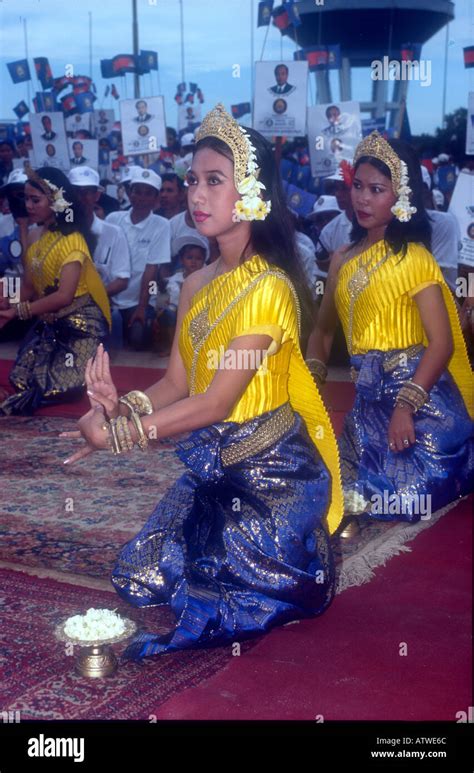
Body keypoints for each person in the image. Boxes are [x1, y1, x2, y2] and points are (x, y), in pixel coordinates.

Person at [59, 103, 343, 661]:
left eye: (215, 181)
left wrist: (118, 437)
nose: (196, 194)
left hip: (271, 475)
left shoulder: (270, 286)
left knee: (232, 590)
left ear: (254, 191)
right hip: (216, 465)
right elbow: (175, 382)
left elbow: (216, 401)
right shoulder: (196, 282)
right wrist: (121, 406)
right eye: (193, 180)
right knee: (140, 574)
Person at [306, 131, 474, 525]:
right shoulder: (341, 258)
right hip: (366, 403)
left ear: (401, 197)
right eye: (358, 186)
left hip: (420, 400)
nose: (362, 198)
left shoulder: (415, 258)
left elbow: (442, 343)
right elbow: (323, 332)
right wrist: (310, 385)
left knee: (410, 496)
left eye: (377, 189)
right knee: (328, 490)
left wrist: (404, 407)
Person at [0, 167, 111, 415]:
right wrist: (6, 303)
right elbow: (28, 285)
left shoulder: (73, 239)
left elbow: (64, 296)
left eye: (35, 200)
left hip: (80, 324)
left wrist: (17, 312)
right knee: (21, 380)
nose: (28, 205)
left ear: (55, 202)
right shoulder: (35, 233)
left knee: (61, 389)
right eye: (26, 199)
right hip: (48, 320)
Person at [105, 167, 170, 350]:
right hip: (109, 294)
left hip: (137, 300)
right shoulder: (113, 219)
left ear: (156, 200)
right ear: (129, 193)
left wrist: (142, 306)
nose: (141, 198)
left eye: (148, 193)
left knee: (139, 339)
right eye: (137, 192)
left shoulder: (161, 225)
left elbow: (151, 269)